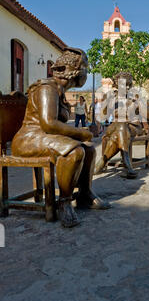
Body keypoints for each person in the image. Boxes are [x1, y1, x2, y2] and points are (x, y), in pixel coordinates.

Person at [11, 47, 111, 228]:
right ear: (73, 71)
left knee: (88, 149)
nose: (86, 74)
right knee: (74, 152)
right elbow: (49, 124)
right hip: (29, 139)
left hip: (44, 137)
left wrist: (83, 136)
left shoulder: (59, 91)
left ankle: (84, 194)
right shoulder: (47, 88)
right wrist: (82, 132)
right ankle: (64, 202)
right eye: (85, 69)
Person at [94, 72, 149, 178]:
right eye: (123, 84)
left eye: (128, 84)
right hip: (114, 127)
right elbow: (103, 116)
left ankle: (102, 163)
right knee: (120, 128)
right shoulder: (111, 97)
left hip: (132, 126)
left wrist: (139, 102)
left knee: (118, 132)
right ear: (117, 85)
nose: (126, 87)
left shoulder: (135, 97)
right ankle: (128, 166)